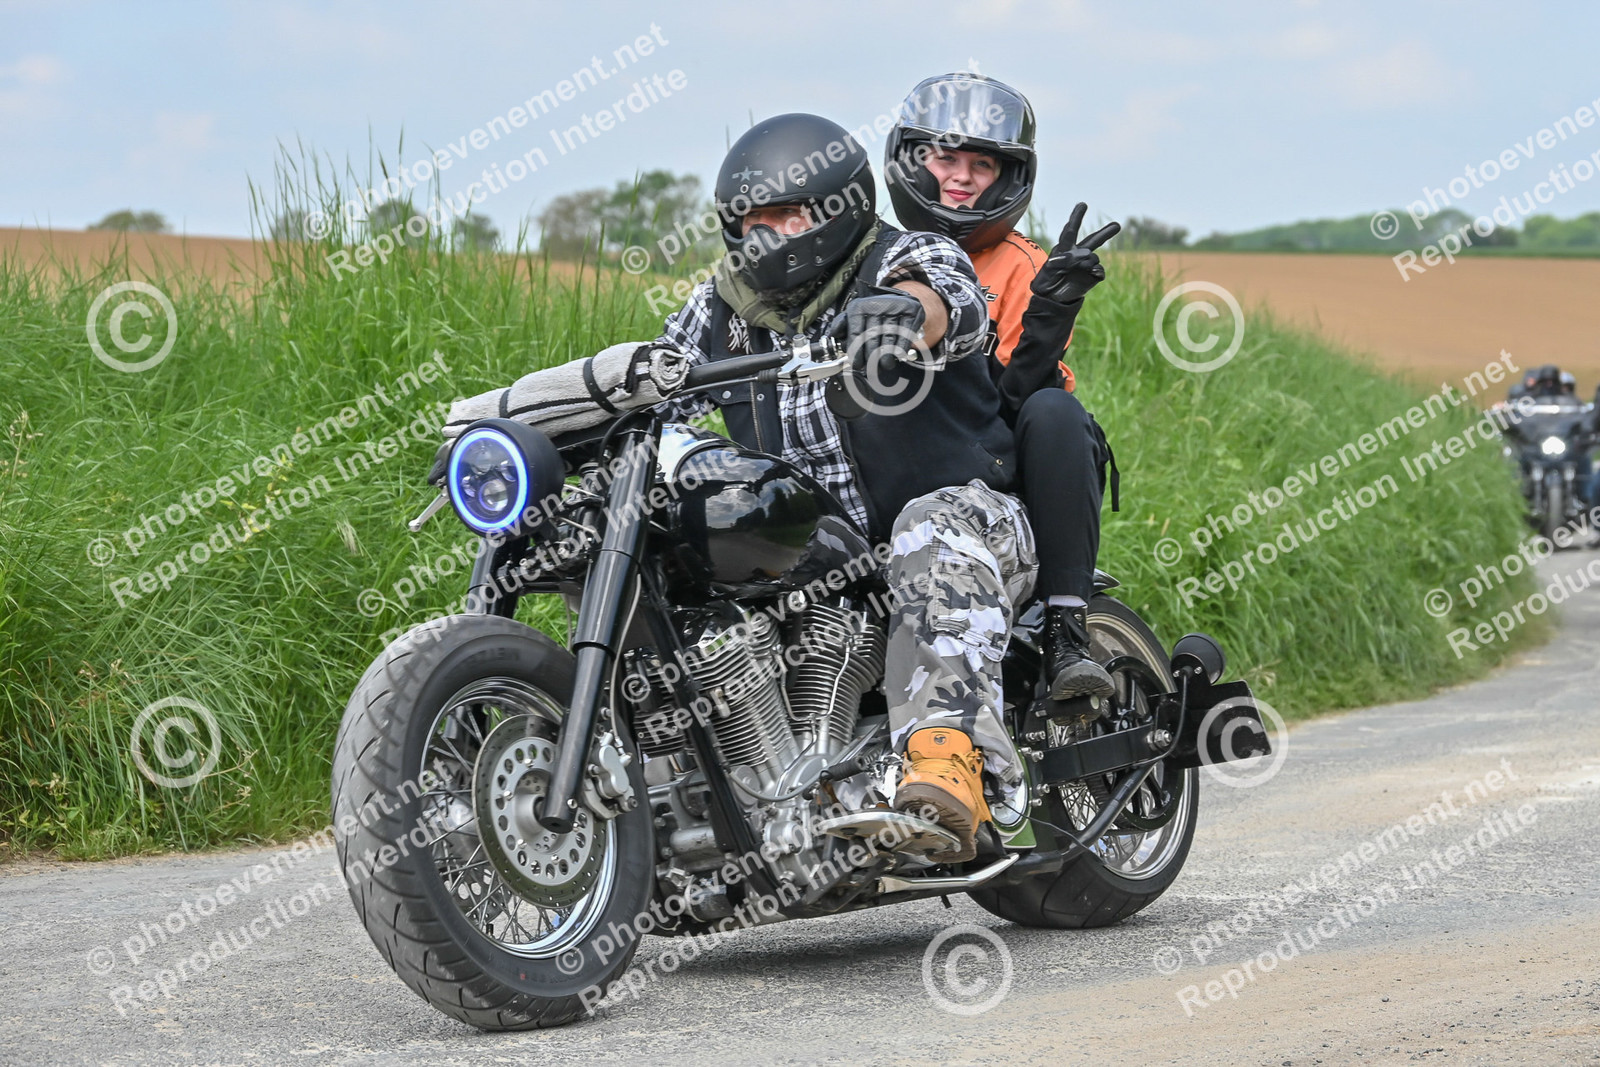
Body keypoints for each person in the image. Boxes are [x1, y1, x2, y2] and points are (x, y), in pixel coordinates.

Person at [651, 112, 1039, 863]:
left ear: (837, 210)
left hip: (972, 526)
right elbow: (656, 376)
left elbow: (951, 300)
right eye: (753, 221)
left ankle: (945, 763)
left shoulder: (905, 253)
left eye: (789, 216)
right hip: (829, 560)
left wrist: (906, 313)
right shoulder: (722, 307)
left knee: (927, 523)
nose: (769, 235)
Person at [884, 72, 1119, 704]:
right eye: (945, 158)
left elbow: (1010, 409)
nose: (961, 177)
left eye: (982, 164)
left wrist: (1050, 317)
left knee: (1056, 410)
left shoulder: (1024, 265)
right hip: (896, 464)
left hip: (994, 471)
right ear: (913, 159)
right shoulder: (879, 255)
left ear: (1007, 176)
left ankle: (1067, 630)